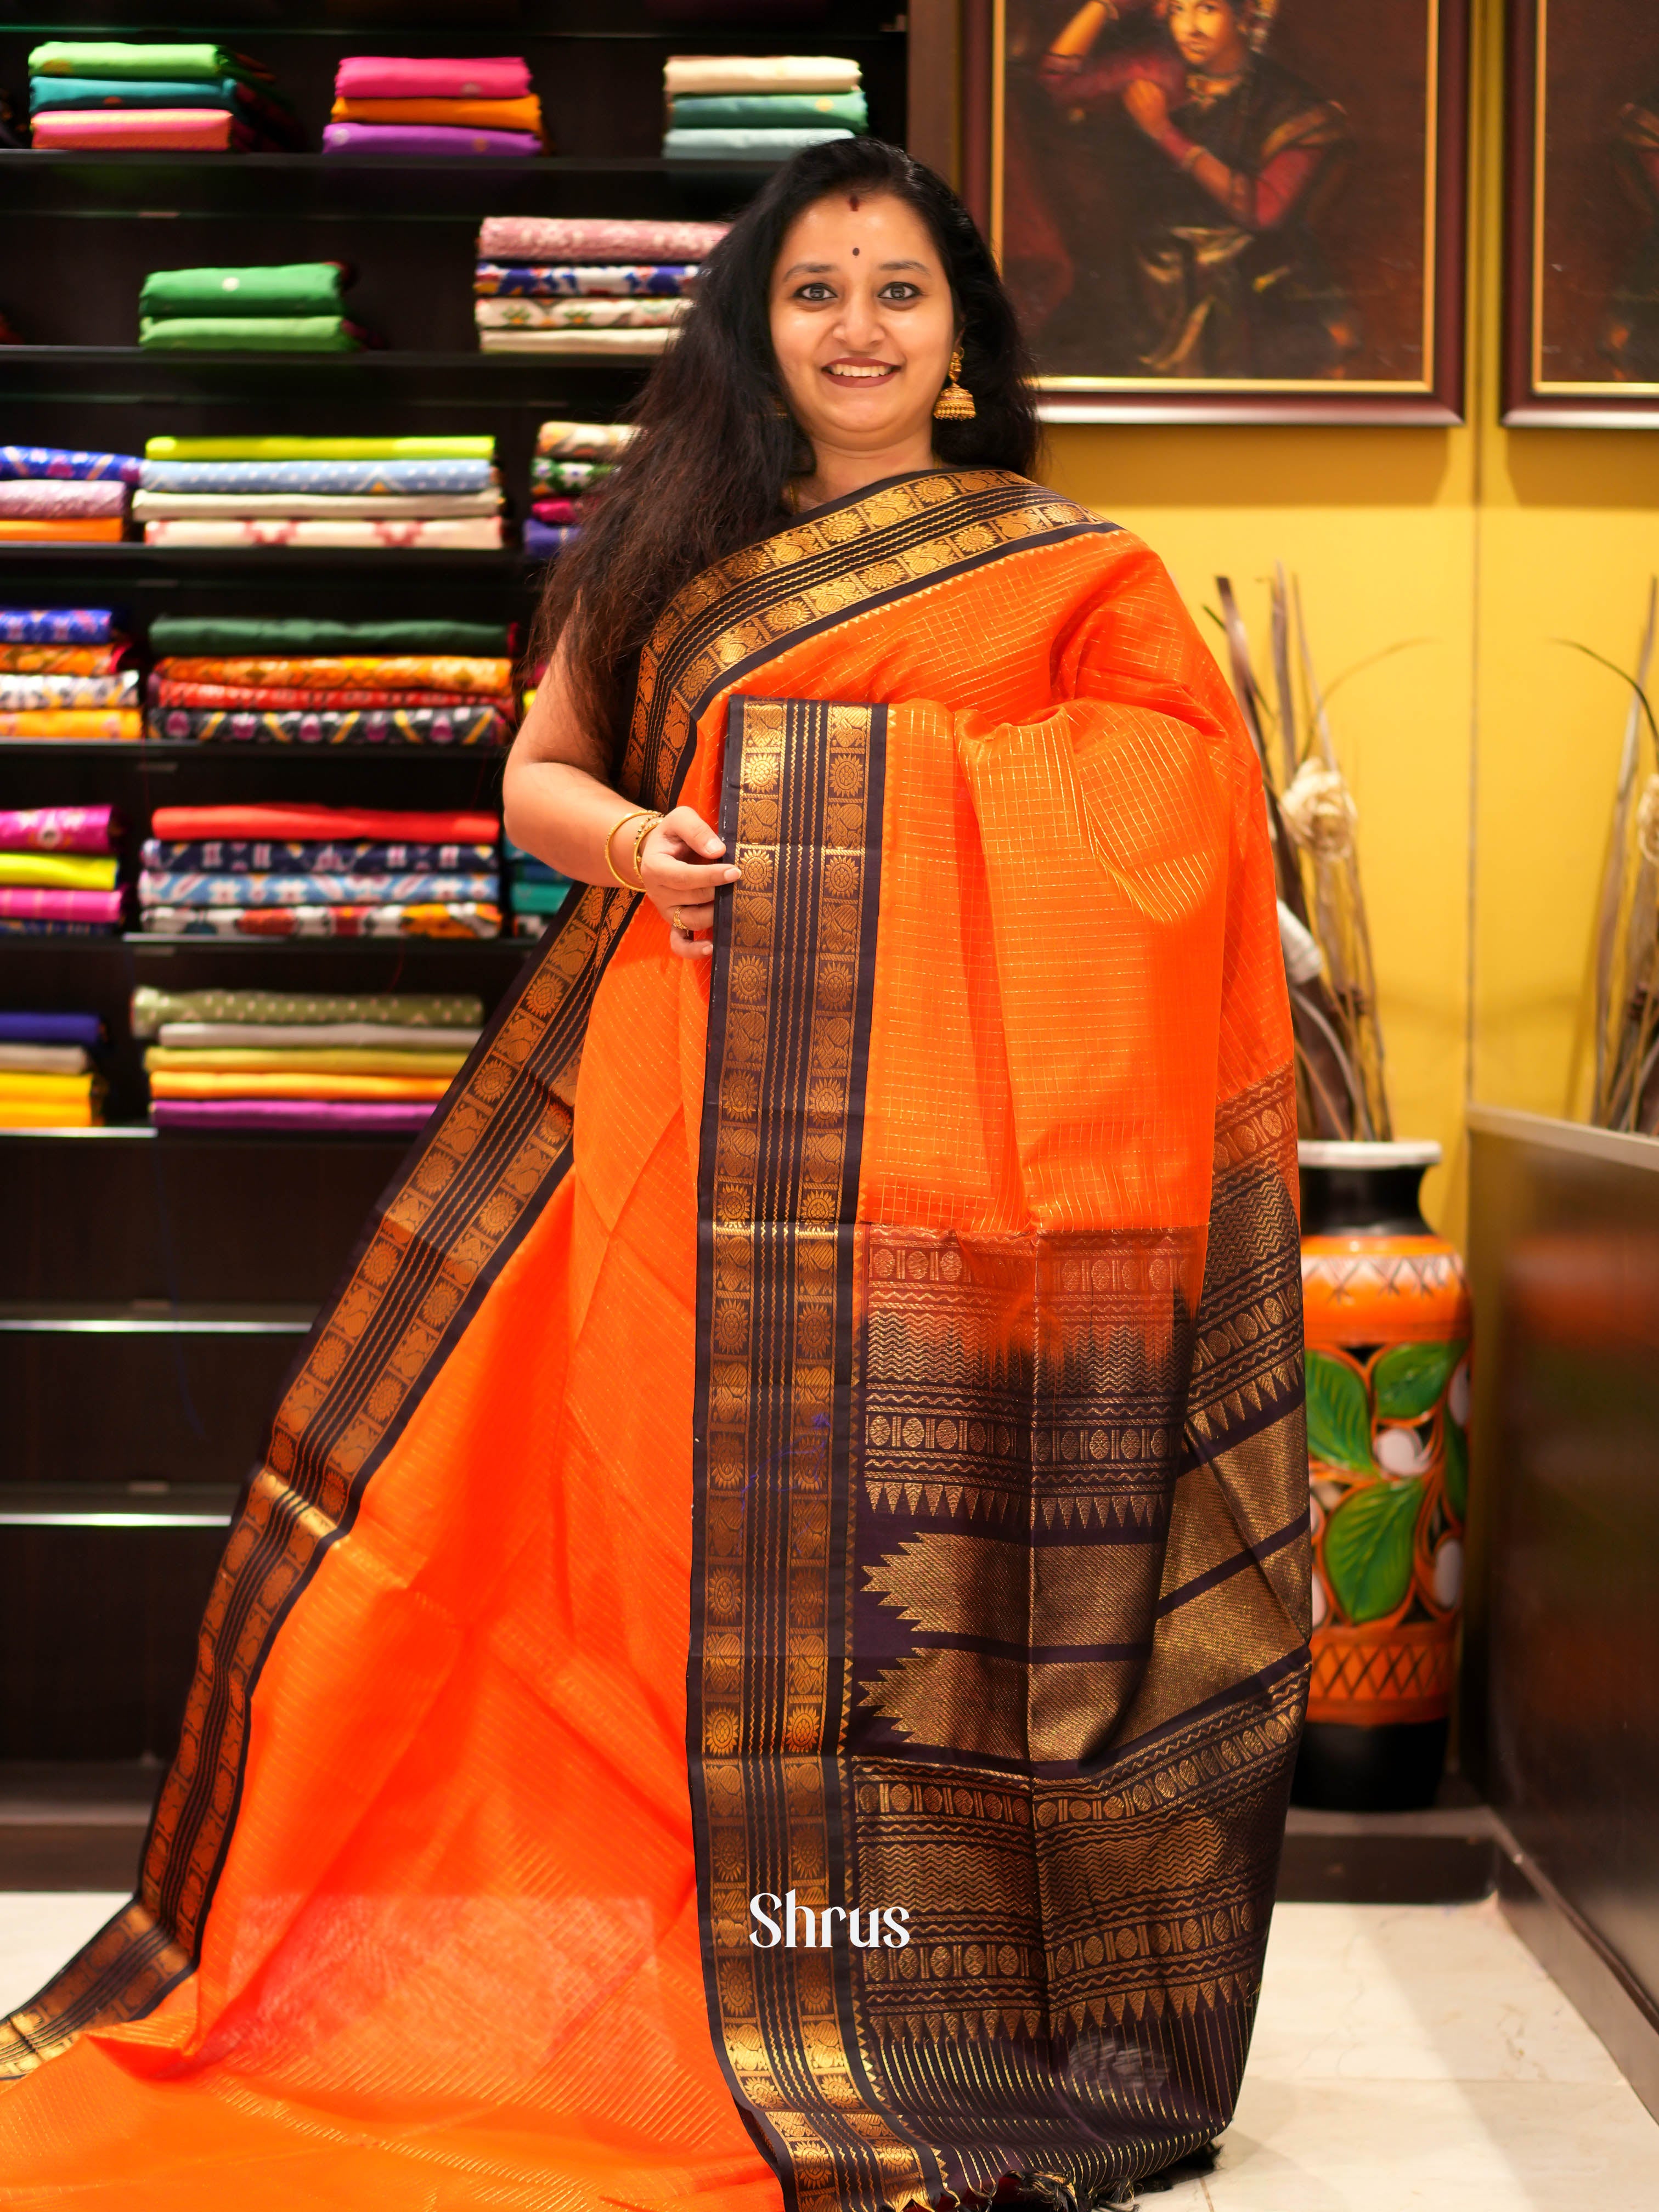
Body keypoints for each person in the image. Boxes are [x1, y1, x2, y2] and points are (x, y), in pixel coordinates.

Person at [0, 139, 1309, 2211]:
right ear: (750, 327)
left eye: (896, 289)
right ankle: (691, 1946)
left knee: (928, 1583)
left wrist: (855, 814)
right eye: (812, 291)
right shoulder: (670, 539)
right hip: (681, 1122)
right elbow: (542, 767)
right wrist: (645, 849)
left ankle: (926, 1985)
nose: (856, 327)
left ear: (960, 337)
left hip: (970, 1198)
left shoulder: (1073, 576)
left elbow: (1173, 822)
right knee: (652, 1548)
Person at [1036, 0, 1356, 376]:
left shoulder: (1292, 104)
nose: (1189, 27)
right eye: (1177, 11)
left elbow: (1262, 210)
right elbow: (1055, 81)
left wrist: (1164, 134)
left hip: (1249, 281)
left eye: (1206, 9)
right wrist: (1105, 7)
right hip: (1151, 276)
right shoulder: (1158, 70)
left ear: (1244, 15)